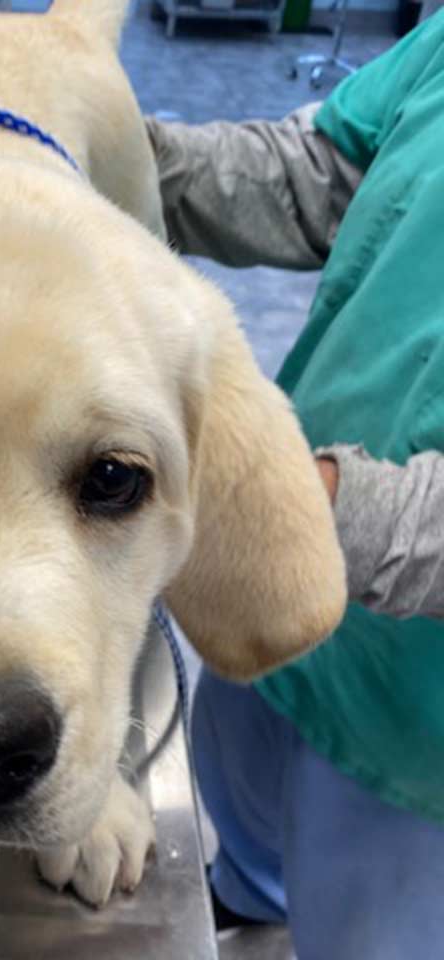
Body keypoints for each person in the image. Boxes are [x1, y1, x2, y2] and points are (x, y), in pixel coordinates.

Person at [145, 12, 444, 960]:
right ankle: (250, 891)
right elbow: (323, 178)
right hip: (287, 591)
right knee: (244, 808)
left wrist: (302, 504)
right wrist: (114, 154)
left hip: (417, 725)